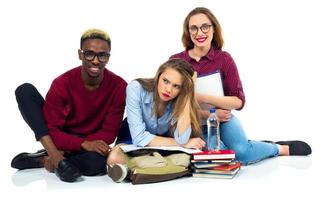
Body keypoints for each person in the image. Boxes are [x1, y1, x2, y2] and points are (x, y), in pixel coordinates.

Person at [170, 7, 312, 165]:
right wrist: (207, 114)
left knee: (242, 154)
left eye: (205, 26)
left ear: (213, 28)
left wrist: (201, 98)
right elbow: (171, 103)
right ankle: (251, 145)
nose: (199, 33)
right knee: (221, 156)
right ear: (188, 32)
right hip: (192, 125)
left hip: (223, 120)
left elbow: (239, 102)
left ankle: (278, 148)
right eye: (193, 28)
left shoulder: (224, 59)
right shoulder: (176, 61)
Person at [11, 28, 127, 182]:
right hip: (60, 137)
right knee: (25, 91)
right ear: (80, 54)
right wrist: (83, 144)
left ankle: (47, 160)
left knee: (97, 165)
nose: (95, 60)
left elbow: (109, 133)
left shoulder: (119, 86)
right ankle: (56, 156)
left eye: (102, 55)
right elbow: (51, 129)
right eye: (89, 53)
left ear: (108, 57)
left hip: (91, 142)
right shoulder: (62, 84)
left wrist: (88, 145)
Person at [106, 58, 205, 182]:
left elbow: (182, 137)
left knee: (190, 156)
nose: (168, 90)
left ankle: (135, 169)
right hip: (133, 137)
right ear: (158, 76)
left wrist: (188, 93)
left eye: (176, 86)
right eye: (165, 81)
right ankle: (165, 167)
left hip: (164, 142)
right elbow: (139, 137)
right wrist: (183, 144)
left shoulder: (181, 98)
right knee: (113, 158)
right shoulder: (135, 88)